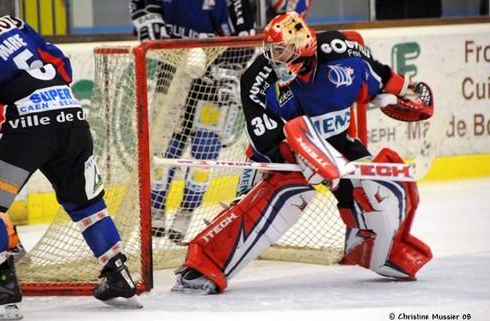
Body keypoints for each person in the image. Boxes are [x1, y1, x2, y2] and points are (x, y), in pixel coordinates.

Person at [171, 12, 434, 294]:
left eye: (282, 50)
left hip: (338, 144)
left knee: (373, 185)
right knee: (286, 196)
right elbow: (262, 136)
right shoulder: (257, 76)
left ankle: (379, 251)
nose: (274, 58)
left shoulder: (341, 51)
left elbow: (379, 75)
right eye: (272, 50)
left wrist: (406, 90)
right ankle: (204, 265)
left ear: (302, 46)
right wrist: (292, 155)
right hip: (285, 150)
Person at [0, 1, 141, 320]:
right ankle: (118, 274)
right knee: (86, 203)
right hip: (73, 117)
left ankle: (1, 285)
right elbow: (62, 66)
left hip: (26, 130)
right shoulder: (16, 24)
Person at [130, 0, 255, 243]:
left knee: (204, 148)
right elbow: (141, 9)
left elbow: (244, 41)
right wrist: (143, 19)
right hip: (172, 68)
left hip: (213, 75)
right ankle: (156, 207)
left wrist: (227, 69)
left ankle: (186, 211)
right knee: (165, 143)